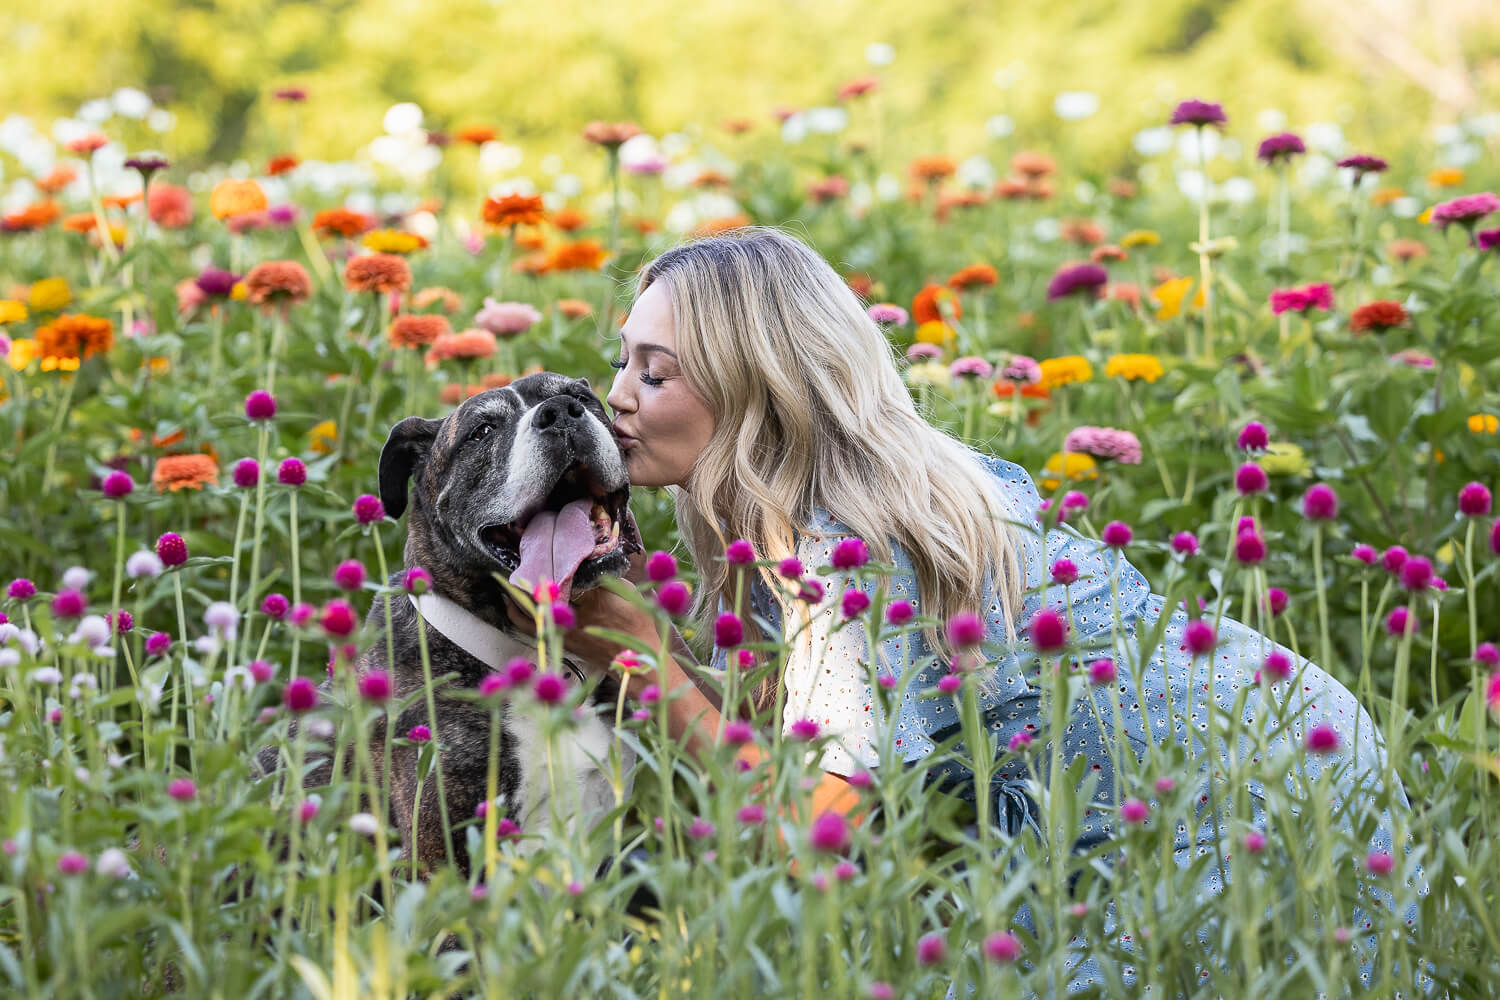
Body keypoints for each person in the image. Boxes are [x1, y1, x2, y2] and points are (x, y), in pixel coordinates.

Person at [521, 226, 1416, 987]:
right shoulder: (812, 512)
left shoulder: (854, 554)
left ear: (758, 381)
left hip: (1255, 818)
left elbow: (808, 833)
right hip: (1225, 773)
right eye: (621, 362)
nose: (620, 397)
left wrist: (641, 660)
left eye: (658, 371)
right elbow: (779, 749)